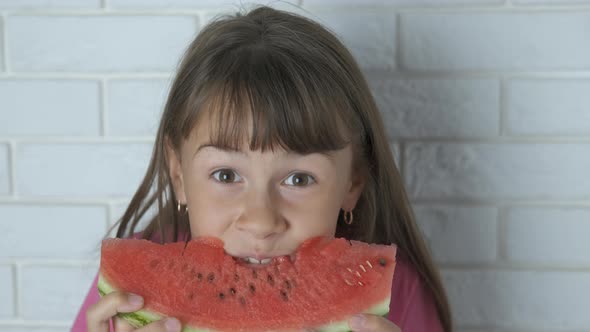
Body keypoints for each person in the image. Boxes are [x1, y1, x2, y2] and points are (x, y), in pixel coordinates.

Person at [72, 5, 452, 332]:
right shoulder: (132, 297)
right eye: (226, 175)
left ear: (353, 180)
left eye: (298, 179)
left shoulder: (397, 290)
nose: (261, 221)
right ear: (178, 176)